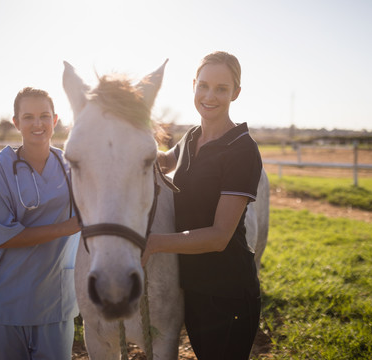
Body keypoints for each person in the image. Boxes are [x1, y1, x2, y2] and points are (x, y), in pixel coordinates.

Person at [142, 51, 263, 359]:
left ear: (236, 93)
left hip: (227, 292)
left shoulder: (242, 149)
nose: (210, 96)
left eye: (222, 88)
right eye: (204, 86)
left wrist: (153, 243)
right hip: (194, 287)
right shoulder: (193, 137)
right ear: (194, 85)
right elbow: (163, 161)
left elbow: (219, 236)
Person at [0, 87, 81, 360]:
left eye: (44, 116)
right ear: (16, 122)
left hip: (54, 301)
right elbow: (5, 236)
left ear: (55, 120)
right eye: (28, 117)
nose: (37, 124)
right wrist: (70, 226)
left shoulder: (72, 165)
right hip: (5, 301)